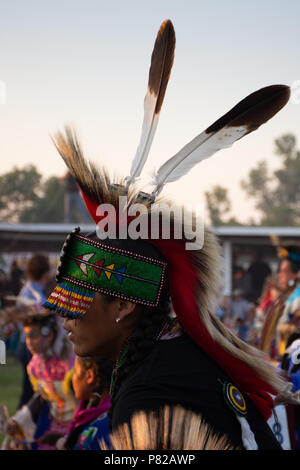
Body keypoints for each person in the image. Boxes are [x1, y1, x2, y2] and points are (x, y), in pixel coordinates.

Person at [43, 19, 291, 450]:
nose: (64, 318)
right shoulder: (170, 366)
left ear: (122, 303)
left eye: (77, 299)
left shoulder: (150, 396)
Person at [4, 309, 76, 450]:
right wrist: (17, 422)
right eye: (26, 336)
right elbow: (41, 398)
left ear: (48, 335)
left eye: (33, 336)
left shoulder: (71, 361)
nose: (29, 342)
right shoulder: (34, 366)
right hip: (53, 427)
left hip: (77, 424)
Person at [56, 355, 112, 450]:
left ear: (89, 376)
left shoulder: (97, 429)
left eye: (75, 372)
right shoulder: (89, 410)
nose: (72, 378)